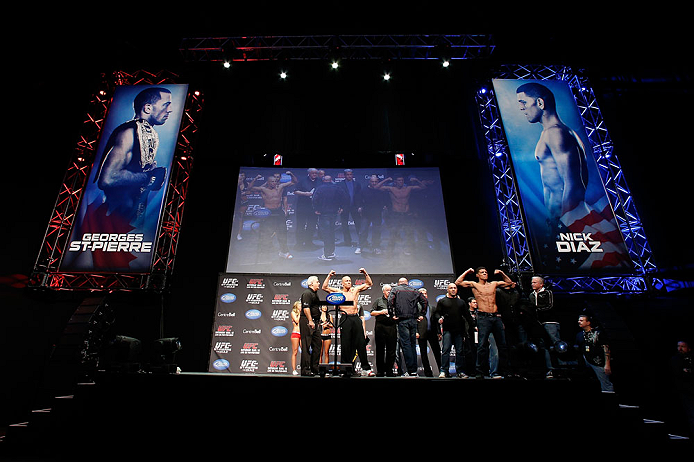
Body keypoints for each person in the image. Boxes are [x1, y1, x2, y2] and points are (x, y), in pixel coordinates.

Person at [516, 82, 588, 223]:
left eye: (523, 102)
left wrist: (567, 224)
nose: (521, 108)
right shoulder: (555, 132)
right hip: (561, 220)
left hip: (569, 221)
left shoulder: (555, 133)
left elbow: (574, 184)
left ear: (540, 103)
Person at [455, 267, 514, 378]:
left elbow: (509, 282)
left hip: (496, 317)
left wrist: (501, 273)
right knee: (482, 346)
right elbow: (458, 282)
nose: (485, 274)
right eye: (482, 273)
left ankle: (506, 371)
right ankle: (480, 372)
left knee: (502, 345)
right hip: (483, 318)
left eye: (486, 272)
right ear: (477, 275)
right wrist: (467, 271)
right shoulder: (475, 285)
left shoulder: (493, 284)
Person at [322, 268, 374, 376]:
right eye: (346, 281)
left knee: (360, 343)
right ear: (342, 283)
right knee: (346, 344)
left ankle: (366, 368)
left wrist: (365, 273)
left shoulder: (355, 290)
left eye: (350, 281)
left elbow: (369, 283)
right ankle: (345, 368)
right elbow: (324, 287)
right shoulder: (339, 292)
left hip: (355, 318)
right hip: (345, 319)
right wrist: (329, 275)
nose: (349, 282)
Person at [247, 170, 298, 259]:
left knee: (282, 233)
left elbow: (294, 182)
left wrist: (291, 174)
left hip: (278, 212)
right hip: (268, 212)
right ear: (268, 182)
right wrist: (255, 178)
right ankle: (264, 251)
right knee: (266, 233)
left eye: (275, 181)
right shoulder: (263, 189)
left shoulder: (280, 187)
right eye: (272, 181)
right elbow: (249, 188)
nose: (274, 183)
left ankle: (284, 252)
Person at [375, 175, 426, 256]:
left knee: (409, 233)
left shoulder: (408, 188)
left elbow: (423, 187)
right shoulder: (391, 189)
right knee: (393, 233)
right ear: (395, 181)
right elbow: (377, 187)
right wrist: (386, 179)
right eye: (399, 180)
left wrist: (416, 179)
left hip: (406, 214)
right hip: (396, 215)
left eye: (402, 180)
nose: (400, 182)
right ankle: (390, 251)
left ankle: (409, 249)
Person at [388, 277, 428, 377]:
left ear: (399, 283)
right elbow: (425, 301)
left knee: (406, 345)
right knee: (413, 345)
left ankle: (410, 371)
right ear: (406, 283)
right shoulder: (414, 290)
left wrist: (392, 314)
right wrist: (422, 314)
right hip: (413, 320)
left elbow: (390, 302)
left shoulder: (395, 290)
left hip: (402, 320)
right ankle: (413, 370)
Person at [529, 276, 562, 378]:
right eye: (532, 282)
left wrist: (537, 309)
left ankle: (561, 367)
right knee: (544, 346)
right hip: (539, 323)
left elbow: (550, 306)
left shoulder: (548, 293)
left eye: (535, 282)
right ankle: (550, 369)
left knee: (556, 343)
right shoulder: (531, 295)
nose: (532, 284)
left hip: (550, 321)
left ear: (541, 284)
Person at [436, 283, 471, 378]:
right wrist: (439, 318)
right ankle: (444, 371)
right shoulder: (442, 301)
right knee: (445, 350)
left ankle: (460, 371)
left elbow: (467, 316)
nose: (453, 289)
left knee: (459, 351)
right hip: (447, 330)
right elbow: (437, 313)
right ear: (447, 289)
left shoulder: (461, 302)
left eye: (454, 288)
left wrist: (474, 326)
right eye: (451, 288)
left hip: (459, 330)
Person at [312, 174, 348, 261]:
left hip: (323, 214)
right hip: (334, 213)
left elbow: (314, 199)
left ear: (323, 180)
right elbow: (344, 197)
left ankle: (327, 254)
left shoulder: (319, 188)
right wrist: (342, 207)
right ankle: (331, 252)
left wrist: (316, 209)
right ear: (331, 179)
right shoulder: (337, 188)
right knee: (331, 233)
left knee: (326, 234)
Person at [575, 314, 613, 392]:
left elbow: (606, 348)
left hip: (597, 361)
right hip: (585, 360)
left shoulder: (598, 333)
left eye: (581, 320)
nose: (579, 322)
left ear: (588, 322)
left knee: (605, 382)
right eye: (579, 320)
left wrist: (607, 364)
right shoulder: (579, 335)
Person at [356, 175, 388, 255]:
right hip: (366, 214)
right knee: (363, 231)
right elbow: (359, 199)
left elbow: (385, 200)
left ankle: (376, 247)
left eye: (375, 182)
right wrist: (359, 207)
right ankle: (360, 246)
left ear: (378, 182)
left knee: (376, 232)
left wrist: (384, 205)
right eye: (372, 181)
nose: (374, 183)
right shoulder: (364, 189)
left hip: (377, 214)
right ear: (369, 181)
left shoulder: (381, 190)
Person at [370, 284, 397, 376]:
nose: (389, 292)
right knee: (380, 349)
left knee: (391, 350)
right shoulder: (379, 300)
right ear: (383, 291)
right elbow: (372, 312)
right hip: (380, 327)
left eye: (390, 290)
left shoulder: (395, 301)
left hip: (392, 327)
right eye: (387, 290)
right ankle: (380, 371)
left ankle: (389, 371)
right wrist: (381, 312)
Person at [416, 288, 442, 377]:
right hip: (421, 333)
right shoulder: (415, 308)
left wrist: (439, 332)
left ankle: (442, 371)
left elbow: (436, 322)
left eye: (425, 293)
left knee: (437, 352)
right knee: (423, 354)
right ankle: (428, 373)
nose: (424, 295)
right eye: (421, 294)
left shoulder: (432, 308)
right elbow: (413, 321)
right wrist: (416, 331)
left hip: (432, 333)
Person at [299, 276, 323, 376]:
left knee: (317, 344)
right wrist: (310, 320)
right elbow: (306, 308)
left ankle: (315, 368)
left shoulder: (315, 294)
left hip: (315, 322)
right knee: (306, 345)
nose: (319, 283)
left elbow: (315, 308)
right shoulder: (307, 293)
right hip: (307, 321)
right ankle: (305, 370)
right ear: (311, 283)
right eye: (317, 282)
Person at [293, 168, 320, 249]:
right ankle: (299, 243)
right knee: (300, 225)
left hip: (314, 207)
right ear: (309, 173)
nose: (314, 175)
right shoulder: (302, 181)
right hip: (302, 207)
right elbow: (295, 191)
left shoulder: (320, 181)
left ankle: (309, 242)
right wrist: (305, 194)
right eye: (313, 173)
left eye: (316, 173)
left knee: (311, 226)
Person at [338, 169, 362, 248]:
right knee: (345, 225)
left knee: (358, 224)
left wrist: (359, 206)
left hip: (355, 206)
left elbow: (359, 196)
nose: (349, 176)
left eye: (351, 174)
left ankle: (362, 240)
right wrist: (340, 207)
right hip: (344, 207)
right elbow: (337, 197)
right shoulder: (340, 184)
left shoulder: (357, 184)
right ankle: (347, 241)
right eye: (348, 174)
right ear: (344, 175)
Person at [290, 301, 301, 375]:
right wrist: (300, 313)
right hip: (295, 333)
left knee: (305, 351)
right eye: (300, 305)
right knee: (295, 351)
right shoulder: (293, 313)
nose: (301, 307)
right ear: (296, 306)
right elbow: (297, 320)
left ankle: (305, 367)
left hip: (303, 333)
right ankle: (294, 370)